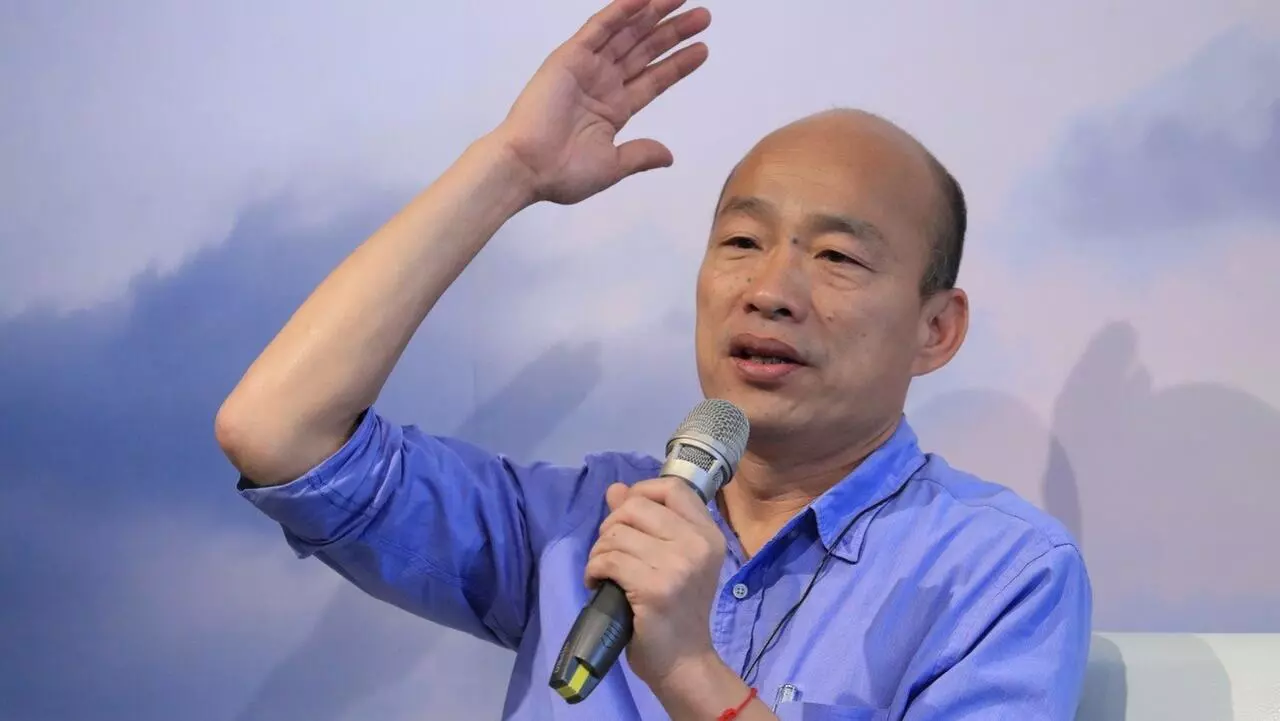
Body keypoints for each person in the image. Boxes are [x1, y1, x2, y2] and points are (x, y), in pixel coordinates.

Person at [215, 0, 1093, 718]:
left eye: (836, 256)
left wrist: (688, 671)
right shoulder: (585, 523)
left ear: (936, 329)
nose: (770, 290)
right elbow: (276, 431)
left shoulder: (999, 572)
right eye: (742, 242)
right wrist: (510, 168)